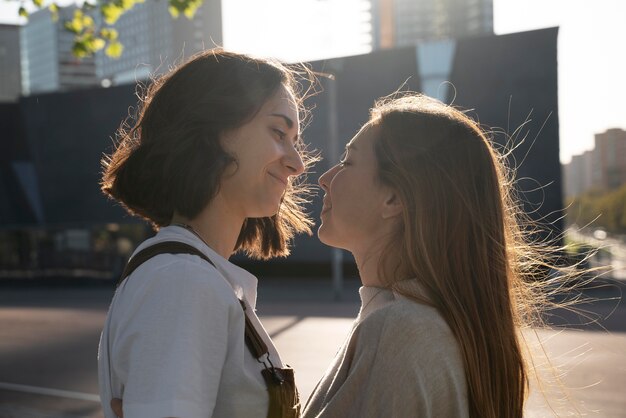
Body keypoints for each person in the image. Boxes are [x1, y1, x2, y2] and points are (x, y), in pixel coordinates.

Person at [98, 49, 315, 418]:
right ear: (214, 131)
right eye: (279, 132)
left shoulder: (190, 275)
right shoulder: (182, 281)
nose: (297, 164)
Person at [303, 93, 547, 418]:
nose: (324, 178)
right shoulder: (436, 322)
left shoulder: (397, 330)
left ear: (393, 199)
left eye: (348, 161)